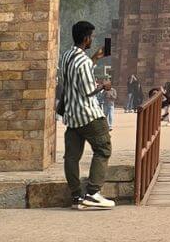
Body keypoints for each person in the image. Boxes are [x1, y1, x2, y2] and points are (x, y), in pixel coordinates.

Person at [56, 21, 114, 210]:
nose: (92, 40)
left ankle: (76, 197)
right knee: (103, 149)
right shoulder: (83, 62)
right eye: (92, 37)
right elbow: (88, 90)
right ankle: (93, 193)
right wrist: (104, 86)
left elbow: (73, 77)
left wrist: (95, 59)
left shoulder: (66, 56)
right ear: (86, 38)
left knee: (71, 157)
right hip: (89, 115)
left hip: (72, 117)